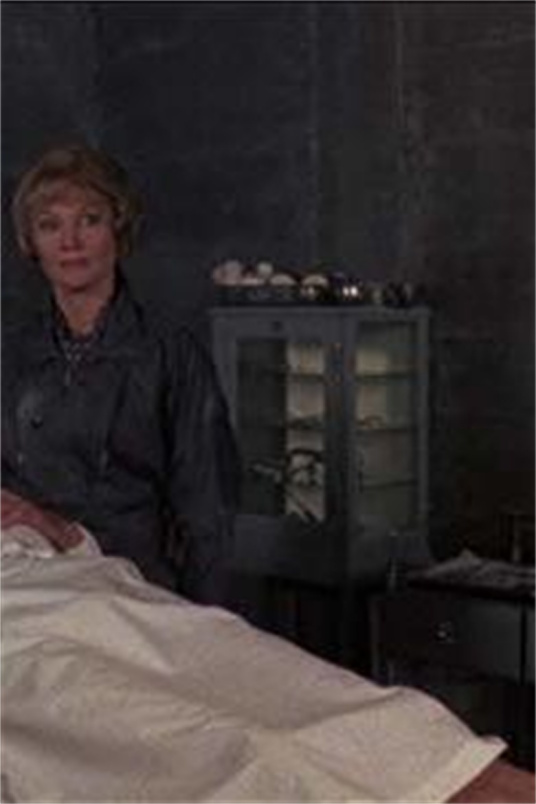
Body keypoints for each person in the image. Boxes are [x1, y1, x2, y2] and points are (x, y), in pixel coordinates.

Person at [2, 143, 240, 604]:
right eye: (50, 225)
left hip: (131, 585)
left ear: (119, 227)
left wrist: (203, 621)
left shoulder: (170, 353)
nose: (70, 242)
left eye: (89, 220)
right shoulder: (9, 353)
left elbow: (207, 511)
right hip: (28, 579)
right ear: (31, 242)